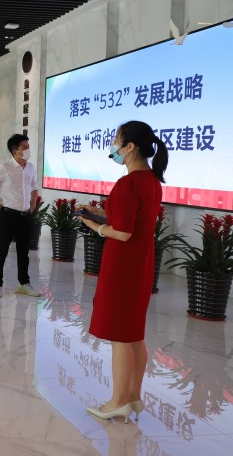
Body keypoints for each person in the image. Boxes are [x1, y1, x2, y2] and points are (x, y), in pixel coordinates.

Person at [77, 121, 167, 423]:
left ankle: (117, 401)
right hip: (141, 261)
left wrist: (96, 226)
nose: (114, 146)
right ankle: (133, 397)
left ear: (130, 147)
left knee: (120, 336)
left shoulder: (128, 183)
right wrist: (102, 214)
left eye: (117, 141)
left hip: (122, 264)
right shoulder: (152, 180)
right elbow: (133, 220)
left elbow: (124, 233)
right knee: (133, 335)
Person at [0, 133, 42, 299]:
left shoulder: (30, 167)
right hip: (9, 215)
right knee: (2, 250)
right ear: (15, 151)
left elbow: (34, 187)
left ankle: (24, 283)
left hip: (25, 215)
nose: (28, 149)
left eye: (28, 146)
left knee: (23, 252)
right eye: (25, 147)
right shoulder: (4, 167)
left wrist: (33, 204)